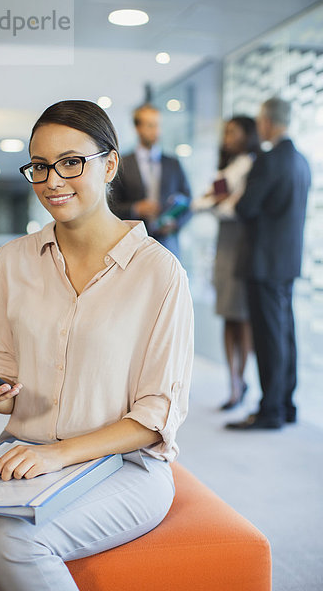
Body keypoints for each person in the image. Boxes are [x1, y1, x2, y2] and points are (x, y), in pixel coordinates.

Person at [0, 100, 194, 591]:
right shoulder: (13, 261)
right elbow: (9, 369)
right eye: (40, 166)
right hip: (29, 453)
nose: (53, 180)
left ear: (110, 164)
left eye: (71, 162)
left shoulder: (159, 272)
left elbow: (158, 412)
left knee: (11, 540)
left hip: (123, 466)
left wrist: (60, 454)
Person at [226, 97, 311, 430]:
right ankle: (285, 404)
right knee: (285, 333)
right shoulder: (301, 161)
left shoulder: (269, 159)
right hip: (287, 262)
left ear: (267, 122)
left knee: (269, 336)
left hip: (263, 262)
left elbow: (246, 207)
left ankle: (270, 411)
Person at [193, 117, 260, 410]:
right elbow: (203, 202)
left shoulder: (252, 164)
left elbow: (237, 207)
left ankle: (239, 380)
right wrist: (219, 202)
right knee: (228, 314)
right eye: (226, 131)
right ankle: (234, 380)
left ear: (248, 134)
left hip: (243, 244)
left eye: (233, 131)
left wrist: (219, 203)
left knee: (240, 315)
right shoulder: (227, 168)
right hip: (225, 243)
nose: (227, 136)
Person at [111, 104, 192, 258]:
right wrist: (135, 208)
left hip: (168, 246)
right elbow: (111, 206)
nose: (156, 131)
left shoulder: (173, 164)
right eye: (150, 125)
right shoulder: (121, 164)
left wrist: (175, 224)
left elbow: (188, 201)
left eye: (158, 125)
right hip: (133, 245)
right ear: (137, 128)